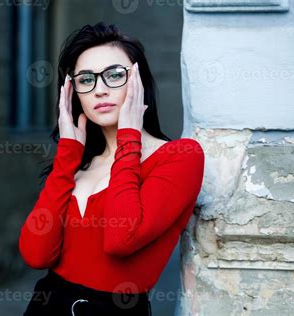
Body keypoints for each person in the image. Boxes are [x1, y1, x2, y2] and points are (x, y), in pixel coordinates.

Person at [18, 22, 205, 316]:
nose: (100, 90)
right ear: (72, 93)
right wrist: (67, 155)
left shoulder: (180, 156)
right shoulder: (77, 163)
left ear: (139, 82)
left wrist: (129, 138)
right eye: (86, 79)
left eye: (115, 75)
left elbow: (120, 240)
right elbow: (35, 253)